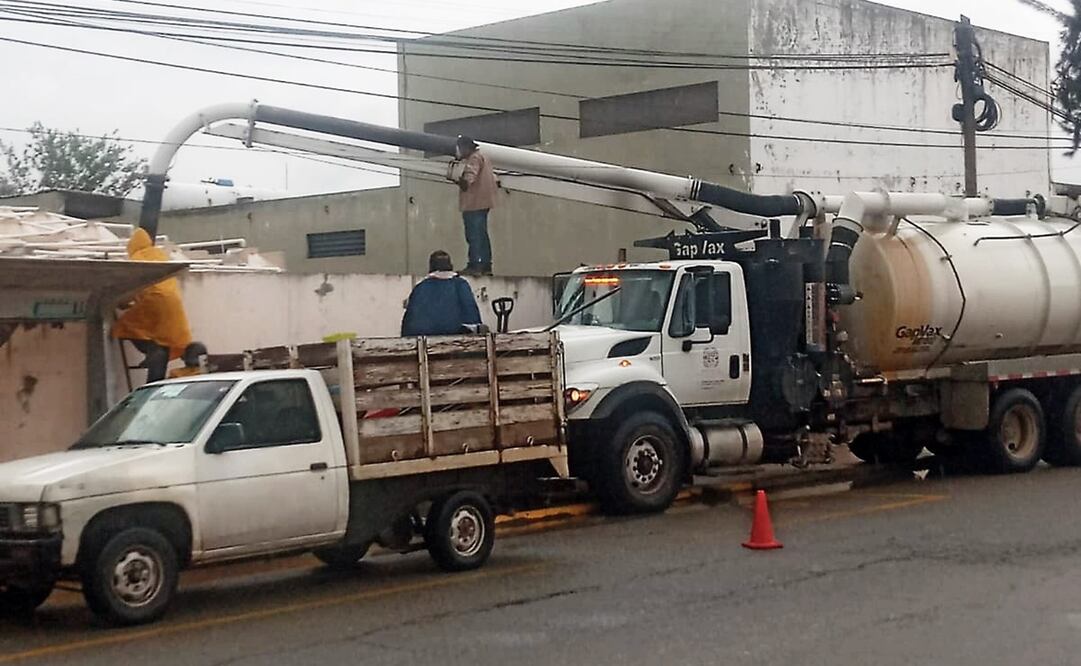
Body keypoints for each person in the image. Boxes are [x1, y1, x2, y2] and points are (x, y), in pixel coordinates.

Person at [112, 228, 193, 382]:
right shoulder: (160, 255)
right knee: (164, 339)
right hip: (173, 304)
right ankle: (156, 371)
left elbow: (135, 286)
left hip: (153, 302)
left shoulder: (137, 257)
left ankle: (151, 352)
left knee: (124, 326)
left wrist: (122, 302)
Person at [401, 250, 483, 337]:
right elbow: (472, 320)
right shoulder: (460, 285)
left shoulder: (420, 288)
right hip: (455, 342)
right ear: (450, 266)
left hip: (421, 342)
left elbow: (409, 325)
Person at [450, 135, 498, 276]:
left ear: (465, 148)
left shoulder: (474, 159)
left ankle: (475, 264)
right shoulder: (484, 157)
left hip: (474, 203)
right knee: (482, 234)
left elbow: (469, 179)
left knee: (473, 234)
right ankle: (486, 265)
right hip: (485, 201)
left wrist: (456, 178)